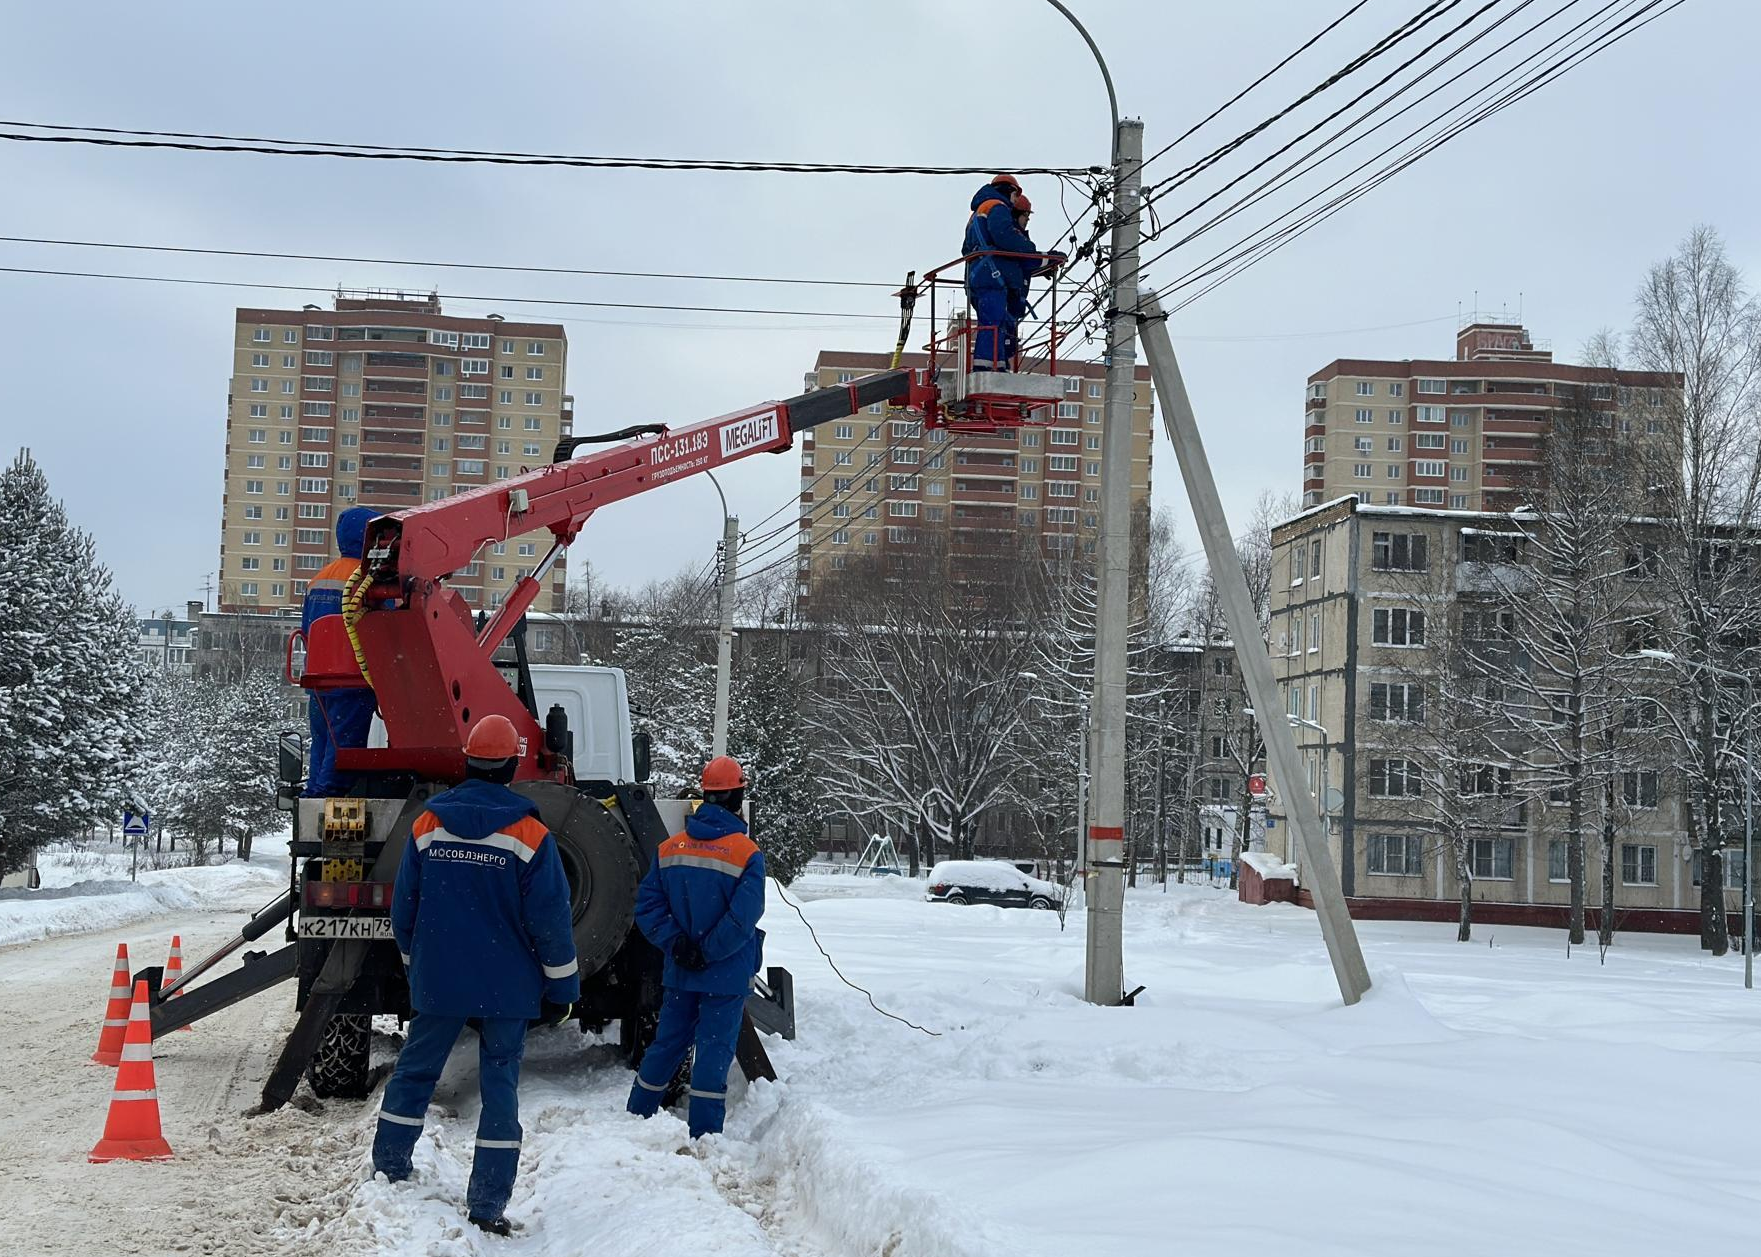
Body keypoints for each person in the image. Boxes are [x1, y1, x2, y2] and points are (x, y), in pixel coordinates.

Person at [372, 713, 579, 1237]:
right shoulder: (531, 835)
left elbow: (405, 910)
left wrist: (416, 964)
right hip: (508, 984)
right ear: (512, 767)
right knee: (500, 1086)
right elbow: (550, 921)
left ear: (467, 762)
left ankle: (390, 1165)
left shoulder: (426, 824)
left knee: (416, 1071)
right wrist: (562, 989)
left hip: (440, 978)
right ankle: (487, 1203)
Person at [626, 755, 765, 1139]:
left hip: (681, 970)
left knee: (667, 1045)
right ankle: (704, 1136)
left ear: (706, 796)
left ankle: (636, 1117)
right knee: (714, 1052)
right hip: (725, 974)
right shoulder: (746, 854)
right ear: (738, 796)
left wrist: (680, 946)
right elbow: (743, 918)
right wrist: (709, 951)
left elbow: (648, 907)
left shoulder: (670, 849)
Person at [302, 504, 381, 797]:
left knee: (322, 740)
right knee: (344, 743)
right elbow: (381, 624)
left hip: (319, 676)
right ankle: (329, 795)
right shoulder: (367, 579)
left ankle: (313, 793)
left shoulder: (318, 579)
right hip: (353, 676)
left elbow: (307, 625)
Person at [961, 174, 1060, 370]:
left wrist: (1039, 263)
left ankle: (997, 367)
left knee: (996, 326)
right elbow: (1005, 238)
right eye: (1015, 195)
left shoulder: (978, 213)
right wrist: (1033, 252)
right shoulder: (997, 207)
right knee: (993, 324)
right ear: (1009, 191)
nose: (1014, 201)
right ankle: (987, 369)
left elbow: (969, 249)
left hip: (981, 277)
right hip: (991, 278)